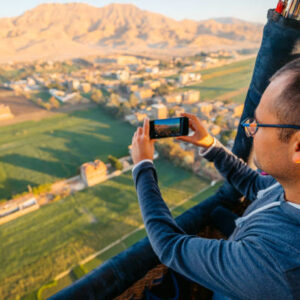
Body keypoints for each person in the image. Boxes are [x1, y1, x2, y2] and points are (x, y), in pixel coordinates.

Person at [130, 58, 300, 299]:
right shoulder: (290, 185)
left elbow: (169, 246)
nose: (250, 130)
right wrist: (210, 145)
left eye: (258, 124)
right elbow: (254, 185)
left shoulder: (275, 265)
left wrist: (143, 166)